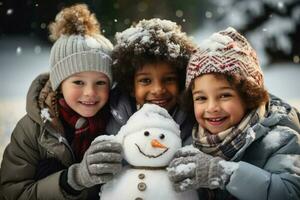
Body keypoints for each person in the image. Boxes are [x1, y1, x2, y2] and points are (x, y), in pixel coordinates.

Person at [0, 4, 122, 199]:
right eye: (78, 82)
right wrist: (72, 180)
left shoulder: (118, 123)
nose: (90, 92)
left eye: (100, 82)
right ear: (59, 84)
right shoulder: (32, 130)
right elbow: (12, 193)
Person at [167, 27, 300, 200]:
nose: (212, 107)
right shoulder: (190, 138)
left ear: (248, 96)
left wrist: (224, 173)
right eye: (201, 98)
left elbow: (290, 192)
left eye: (224, 95)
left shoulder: (281, 138)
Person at [107, 18, 196, 144]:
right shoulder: (114, 121)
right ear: (130, 86)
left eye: (169, 79)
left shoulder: (190, 121)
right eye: (146, 80)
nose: (158, 89)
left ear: (181, 81)